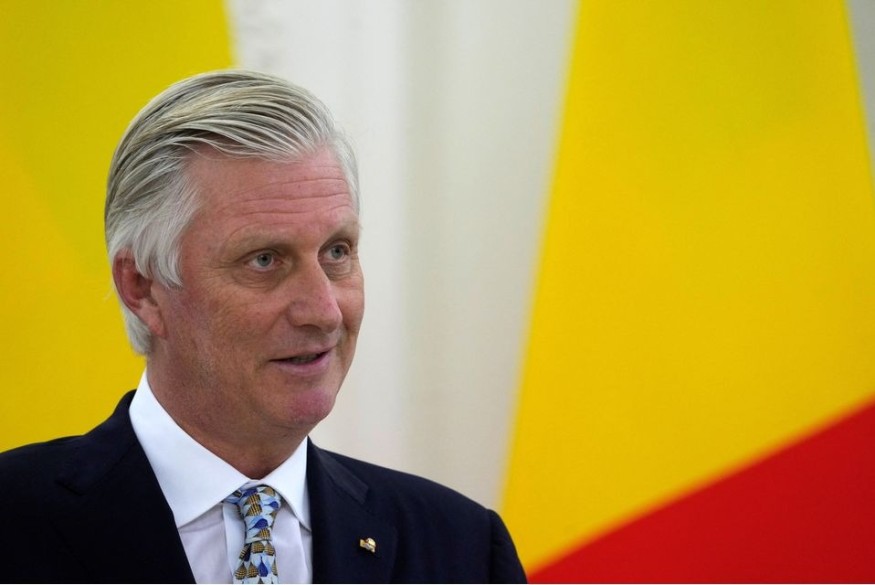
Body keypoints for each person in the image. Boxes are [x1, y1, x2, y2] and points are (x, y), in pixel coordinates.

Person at [0, 70, 526, 584]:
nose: (324, 311)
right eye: (264, 260)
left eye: (337, 252)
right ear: (143, 287)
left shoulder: (463, 548)